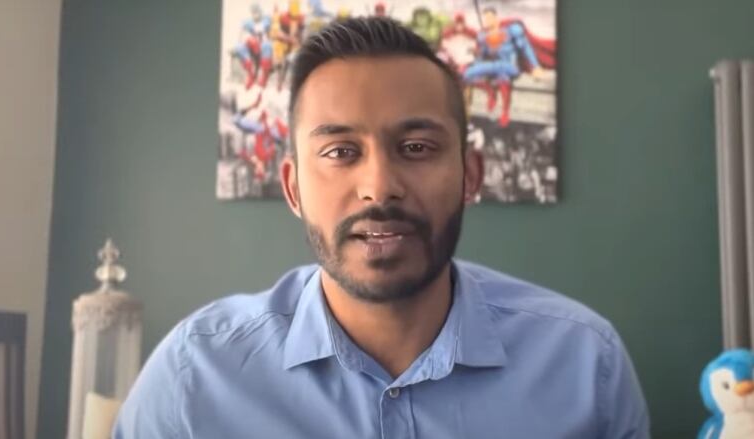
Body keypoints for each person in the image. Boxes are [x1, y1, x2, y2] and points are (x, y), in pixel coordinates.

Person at [114, 17, 649, 438]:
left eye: (416, 148)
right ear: (294, 188)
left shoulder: (585, 364)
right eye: (341, 151)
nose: (379, 186)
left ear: (470, 175)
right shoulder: (194, 376)